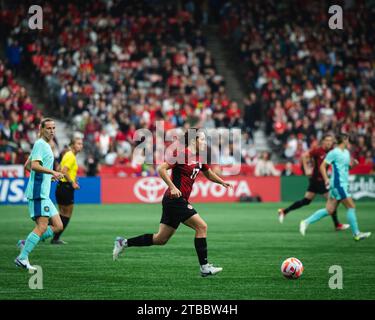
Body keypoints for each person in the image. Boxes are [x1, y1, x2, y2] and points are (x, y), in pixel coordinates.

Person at [112, 129, 233, 277]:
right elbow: (161, 169)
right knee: (202, 227)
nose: (204, 142)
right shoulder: (181, 154)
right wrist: (173, 187)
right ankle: (204, 267)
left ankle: (123, 242)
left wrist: (222, 182)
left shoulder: (199, 157)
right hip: (175, 200)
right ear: (194, 140)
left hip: (175, 201)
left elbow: (208, 173)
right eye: (202, 139)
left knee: (160, 239)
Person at [299, 134, 371, 241]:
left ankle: (305, 222)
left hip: (341, 184)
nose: (349, 142)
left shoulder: (346, 153)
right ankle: (356, 234)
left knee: (329, 210)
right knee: (351, 207)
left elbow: (345, 168)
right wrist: (326, 179)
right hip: (338, 185)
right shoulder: (334, 153)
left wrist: (353, 165)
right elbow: (322, 166)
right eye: (348, 140)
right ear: (344, 140)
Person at [15, 118, 64, 270]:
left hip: (44, 193)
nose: (52, 131)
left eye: (54, 128)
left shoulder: (45, 145)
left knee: (58, 225)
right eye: (48, 128)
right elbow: (34, 166)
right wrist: (52, 172)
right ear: (41, 129)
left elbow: (27, 165)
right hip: (38, 193)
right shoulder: (40, 144)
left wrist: (48, 176)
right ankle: (22, 257)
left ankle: (28, 242)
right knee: (42, 226)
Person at [278, 134, 349, 231]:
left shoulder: (331, 151)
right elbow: (304, 156)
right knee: (332, 201)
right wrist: (307, 169)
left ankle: (284, 211)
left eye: (330, 140)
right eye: (327, 140)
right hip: (318, 180)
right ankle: (337, 225)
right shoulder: (317, 151)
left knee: (306, 201)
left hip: (317, 180)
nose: (329, 142)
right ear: (323, 141)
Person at [52, 137, 83, 244]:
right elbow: (64, 171)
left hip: (61, 187)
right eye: (78, 143)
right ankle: (53, 236)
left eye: (81, 144)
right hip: (66, 188)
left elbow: (59, 169)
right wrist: (72, 182)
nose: (81, 146)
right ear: (73, 145)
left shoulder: (67, 155)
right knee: (67, 214)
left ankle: (48, 232)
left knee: (62, 213)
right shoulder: (71, 157)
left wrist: (72, 178)